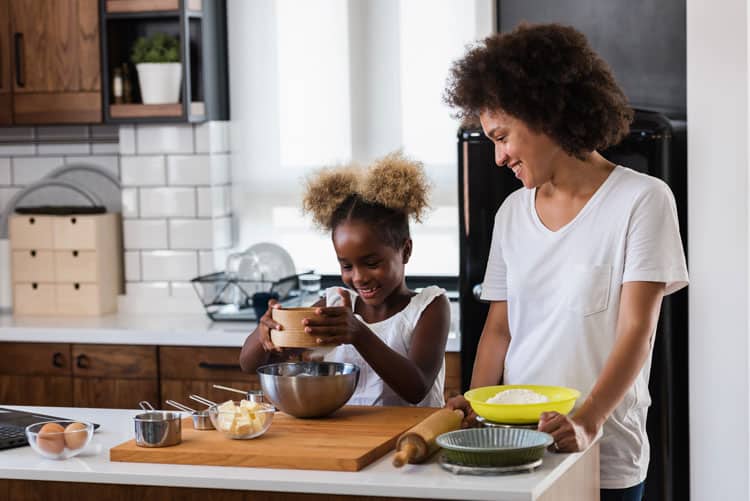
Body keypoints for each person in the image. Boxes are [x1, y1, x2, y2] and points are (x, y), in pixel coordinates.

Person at [443, 23, 688, 500]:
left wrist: (587, 422)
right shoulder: (513, 213)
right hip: (516, 445)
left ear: (544, 115)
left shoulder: (642, 200)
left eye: (502, 137)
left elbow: (637, 331)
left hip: (603, 454)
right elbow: (500, 328)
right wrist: (474, 406)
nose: (497, 158)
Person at [239, 152, 451, 407]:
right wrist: (269, 334)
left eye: (372, 263)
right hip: (348, 438)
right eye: (346, 265)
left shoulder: (430, 307)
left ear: (405, 250)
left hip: (411, 439)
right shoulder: (333, 304)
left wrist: (358, 333)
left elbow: (416, 388)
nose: (359, 277)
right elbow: (248, 364)